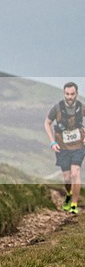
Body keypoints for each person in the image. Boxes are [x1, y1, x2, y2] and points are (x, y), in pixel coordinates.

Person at [44, 82, 85, 215]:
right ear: (64, 94)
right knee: (67, 178)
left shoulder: (81, 107)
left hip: (79, 146)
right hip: (62, 147)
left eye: (72, 94)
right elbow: (47, 123)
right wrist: (52, 142)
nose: (70, 97)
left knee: (75, 173)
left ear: (76, 94)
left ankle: (74, 203)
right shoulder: (57, 107)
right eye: (67, 94)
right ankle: (68, 194)